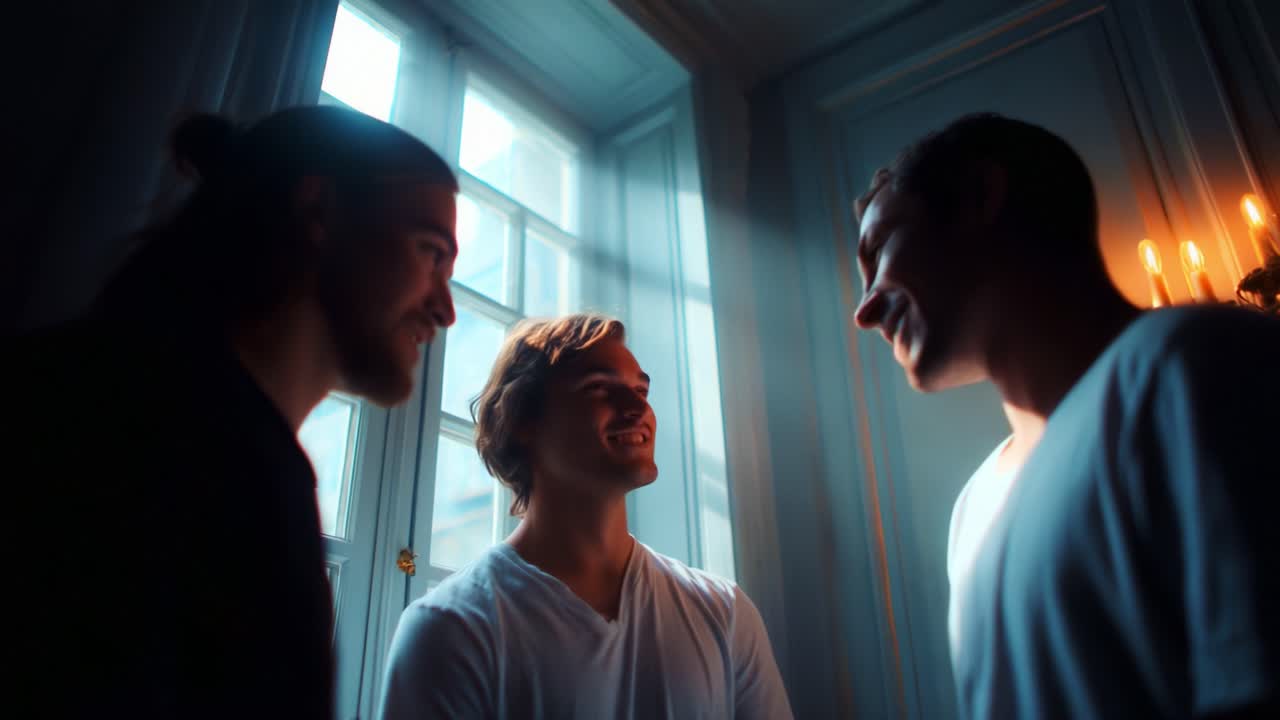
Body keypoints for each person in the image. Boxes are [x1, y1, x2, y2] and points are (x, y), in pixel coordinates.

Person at [9, 106, 459, 718]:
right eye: (431, 252)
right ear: (320, 211)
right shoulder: (208, 471)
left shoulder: (99, 386)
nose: (446, 308)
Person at [851, 113, 1279, 718]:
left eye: (879, 251)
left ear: (980, 196)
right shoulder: (973, 509)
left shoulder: (1195, 368)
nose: (864, 311)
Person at [378, 313, 793, 719]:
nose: (636, 408)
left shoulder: (724, 611)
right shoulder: (450, 630)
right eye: (599, 388)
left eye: (641, 391)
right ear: (521, 418)